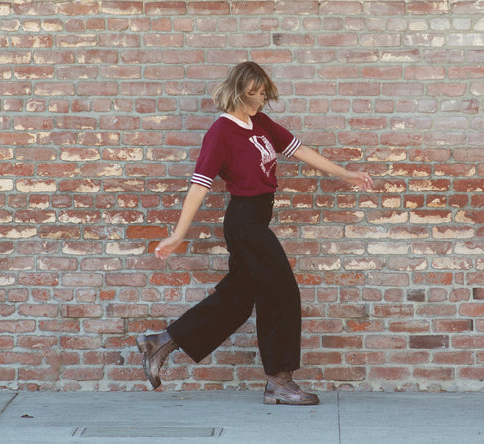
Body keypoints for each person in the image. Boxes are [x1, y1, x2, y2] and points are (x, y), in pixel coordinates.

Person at [137, 61, 373, 406]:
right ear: (239, 91)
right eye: (255, 94)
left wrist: (345, 174)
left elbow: (300, 149)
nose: (261, 101)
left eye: (264, 94)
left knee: (236, 301)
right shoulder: (221, 132)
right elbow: (200, 185)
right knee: (283, 293)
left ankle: (161, 342)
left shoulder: (259, 122)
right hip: (244, 222)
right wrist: (177, 234)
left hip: (258, 219)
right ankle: (279, 381)